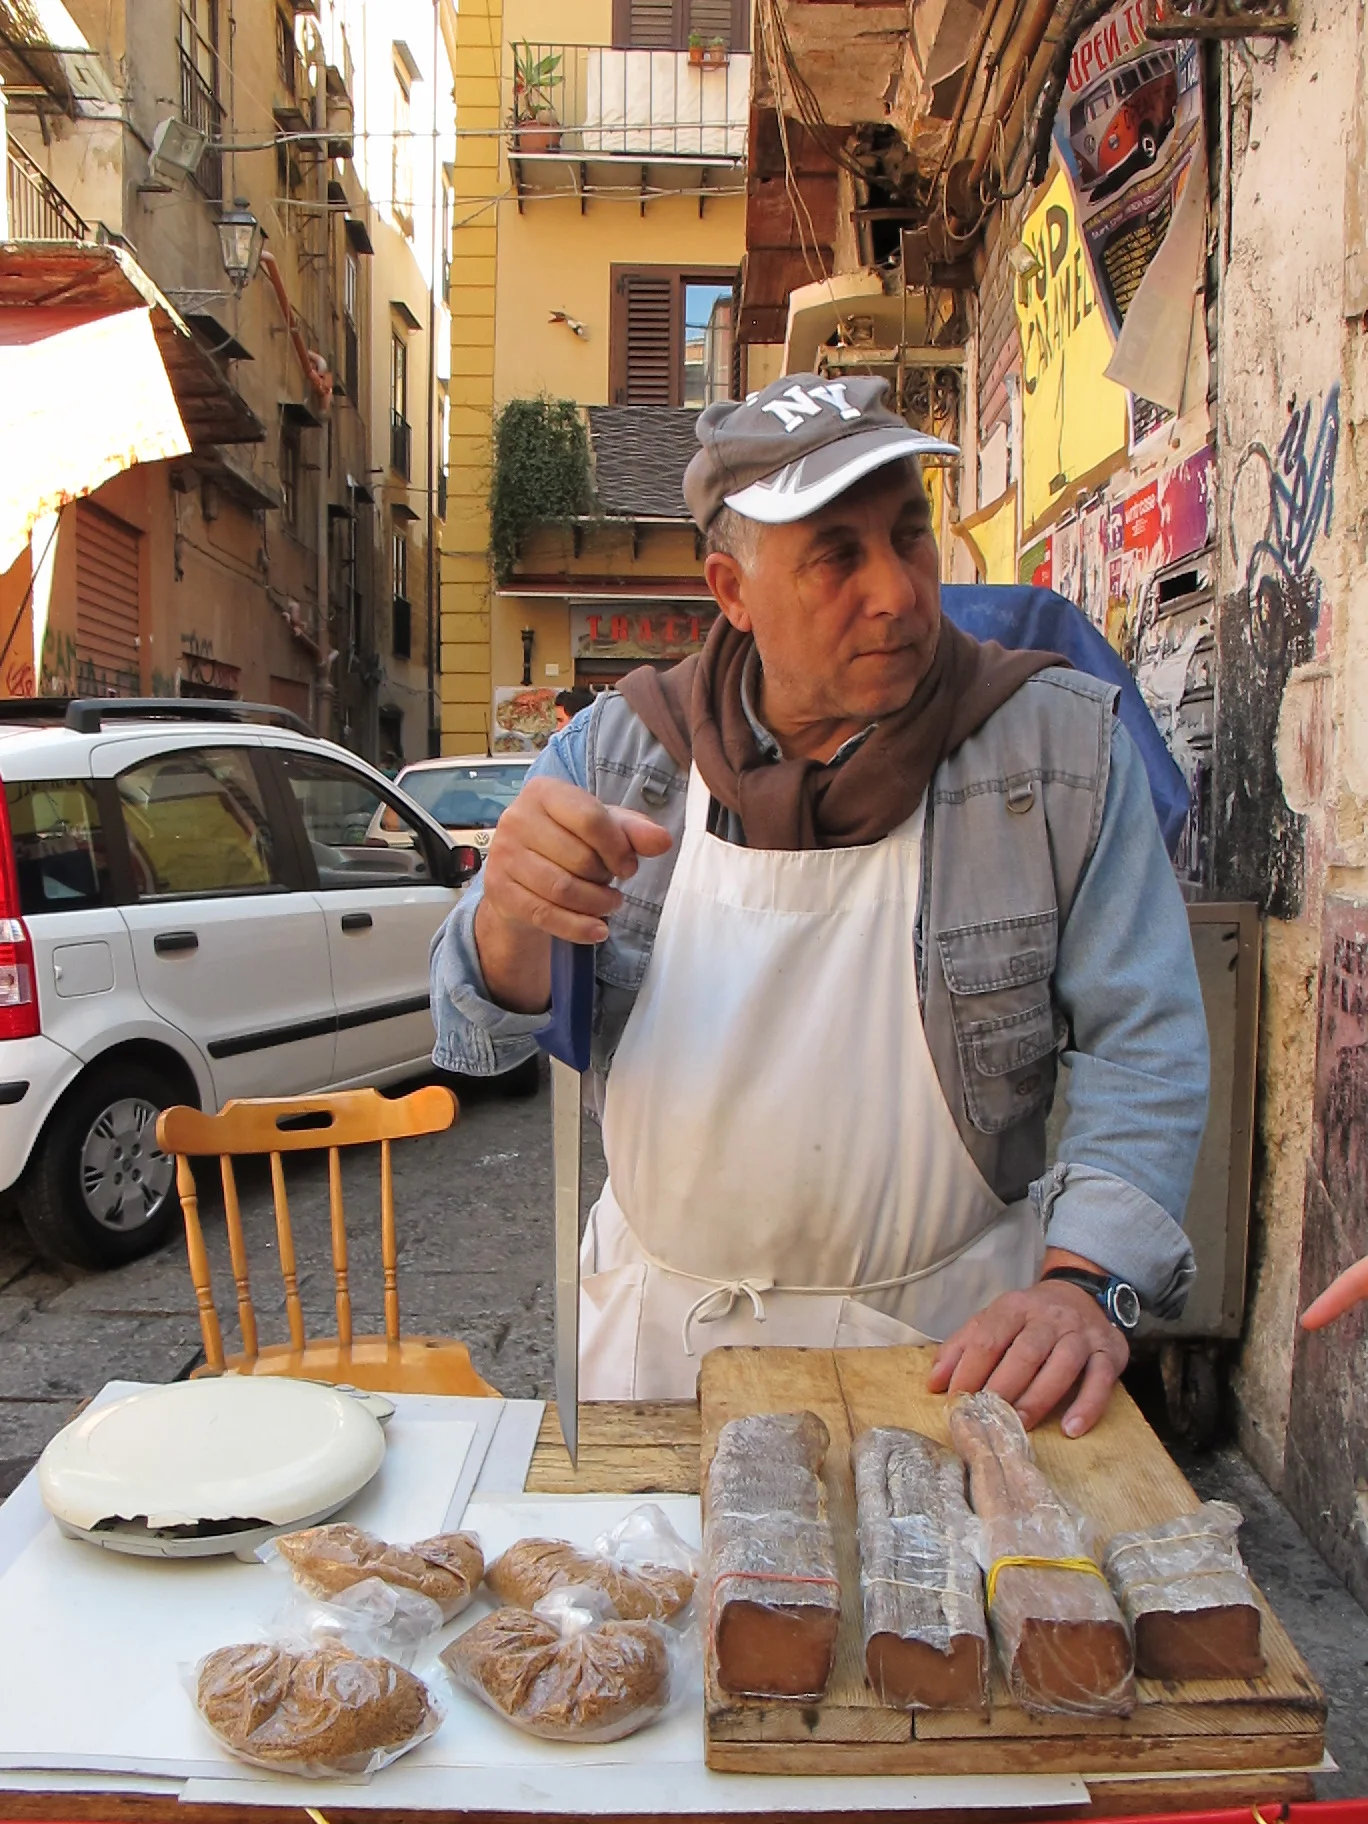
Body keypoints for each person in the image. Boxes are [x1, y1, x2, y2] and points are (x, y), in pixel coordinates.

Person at [431, 374, 1209, 1438]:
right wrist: (511, 908)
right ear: (733, 590)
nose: (896, 590)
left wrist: (1088, 1281)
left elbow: (1145, 1038)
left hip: (955, 1364)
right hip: (666, 1364)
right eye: (837, 555)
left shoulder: (1058, 756)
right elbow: (484, 1026)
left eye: (909, 535)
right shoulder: (617, 755)